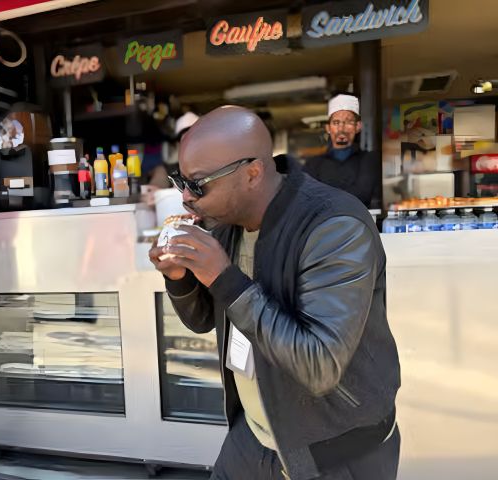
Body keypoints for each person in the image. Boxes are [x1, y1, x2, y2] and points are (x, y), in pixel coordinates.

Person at [149, 106, 400, 480]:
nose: (186, 198)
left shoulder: (334, 226)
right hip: (251, 435)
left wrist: (223, 275)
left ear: (252, 173)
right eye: (180, 181)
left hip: (334, 450)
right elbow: (203, 319)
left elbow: (319, 365)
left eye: (198, 184)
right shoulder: (225, 225)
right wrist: (179, 278)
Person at [304, 94, 381, 208]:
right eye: (336, 123)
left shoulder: (369, 159)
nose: (341, 129)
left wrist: (323, 197)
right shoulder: (313, 164)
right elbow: (306, 197)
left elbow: (362, 194)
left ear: (358, 126)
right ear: (328, 128)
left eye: (348, 122)